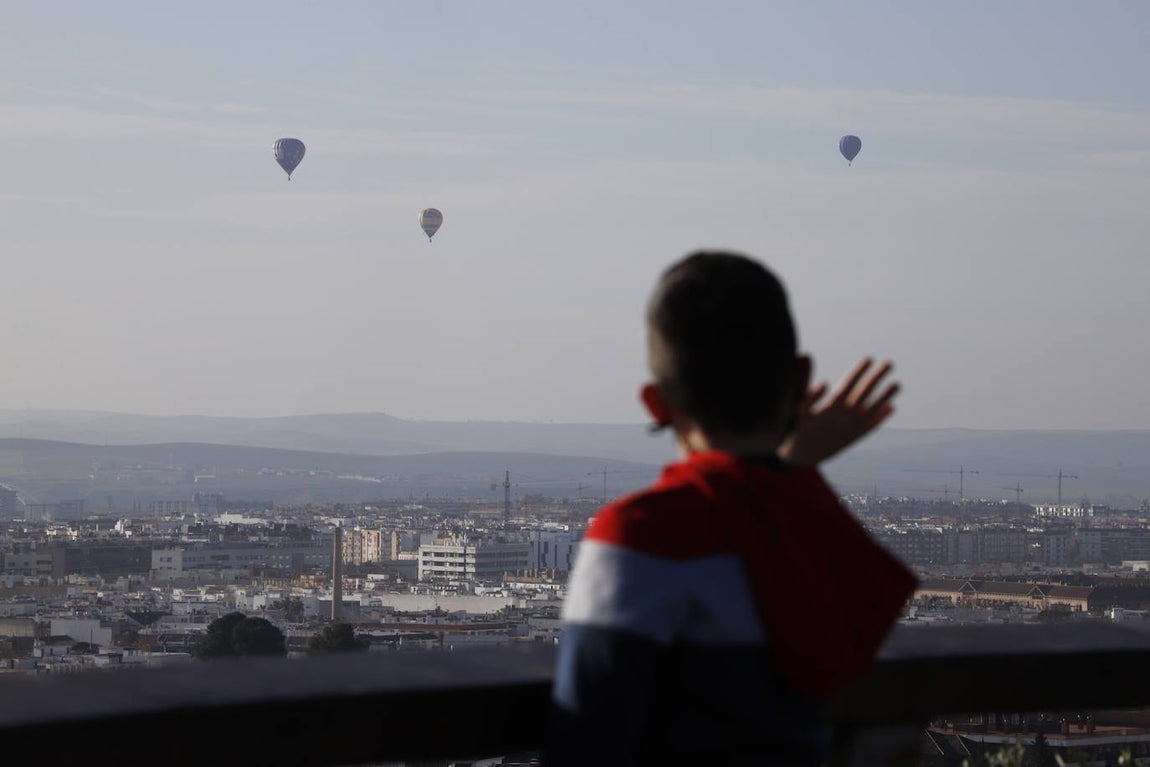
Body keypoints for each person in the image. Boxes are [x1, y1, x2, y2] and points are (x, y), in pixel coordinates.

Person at [545, 250, 920, 767]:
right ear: (801, 380)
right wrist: (792, 465)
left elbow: (586, 738)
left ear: (655, 402)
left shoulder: (642, 532)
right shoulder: (812, 521)